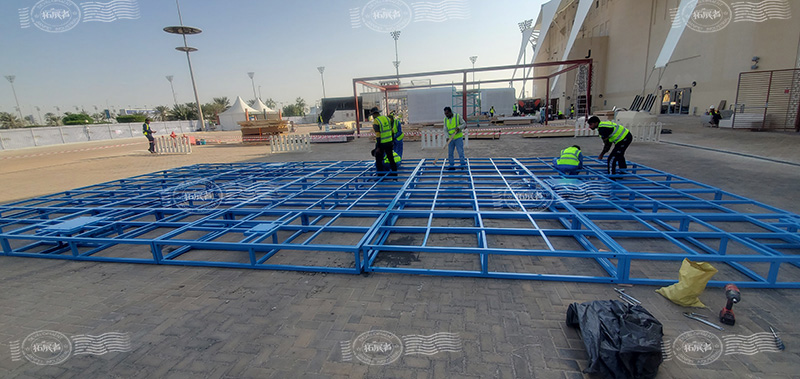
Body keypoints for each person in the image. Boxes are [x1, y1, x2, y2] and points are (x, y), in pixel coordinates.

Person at [371, 107, 397, 174]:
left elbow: (378, 135)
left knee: (379, 159)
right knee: (391, 159)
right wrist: (392, 141)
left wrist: (378, 147)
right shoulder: (387, 118)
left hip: (382, 144)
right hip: (389, 142)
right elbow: (392, 131)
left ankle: (380, 174)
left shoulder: (376, 121)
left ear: (373, 114)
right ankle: (395, 176)